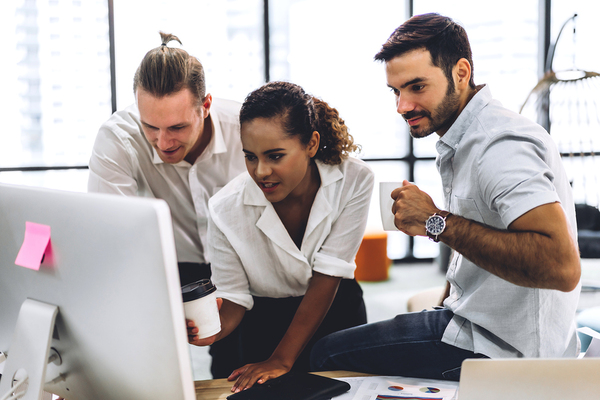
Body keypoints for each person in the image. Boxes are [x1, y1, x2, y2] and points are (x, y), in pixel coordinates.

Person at [310, 13, 581, 381]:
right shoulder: (464, 136)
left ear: (461, 72)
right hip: (475, 324)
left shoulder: (498, 145)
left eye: (417, 87)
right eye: (396, 91)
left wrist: (434, 222)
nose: (402, 106)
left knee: (324, 353)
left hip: (501, 350)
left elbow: (561, 268)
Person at [188, 81, 373, 392]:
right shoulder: (224, 208)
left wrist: (282, 360)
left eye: (275, 156)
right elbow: (234, 298)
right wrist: (211, 330)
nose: (260, 171)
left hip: (335, 311)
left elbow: (329, 274)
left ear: (311, 144)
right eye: (250, 156)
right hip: (263, 325)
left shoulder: (354, 180)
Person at [87, 32, 246, 378]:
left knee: (237, 368)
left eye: (177, 127)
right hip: (168, 261)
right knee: (153, 370)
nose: (163, 142)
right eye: (150, 126)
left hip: (244, 259)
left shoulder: (244, 128)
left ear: (204, 107)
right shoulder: (117, 138)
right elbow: (111, 238)